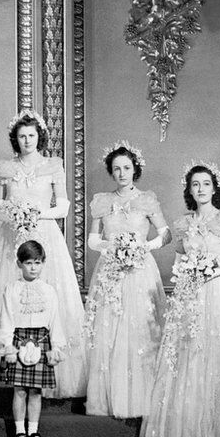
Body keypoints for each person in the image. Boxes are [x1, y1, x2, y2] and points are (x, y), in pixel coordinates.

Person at [141, 163, 220, 437]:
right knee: (189, 352)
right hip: (190, 293)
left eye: (206, 184)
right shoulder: (184, 224)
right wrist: (184, 279)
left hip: (217, 292)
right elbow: (178, 263)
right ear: (189, 190)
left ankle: (218, 427)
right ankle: (187, 425)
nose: (200, 189)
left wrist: (216, 270)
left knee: (216, 351)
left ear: (215, 188)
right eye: (195, 185)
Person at [0, 110, 87, 398]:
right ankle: (11, 369)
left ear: (40, 137)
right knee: (9, 297)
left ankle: (52, 370)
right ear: (15, 139)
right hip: (13, 236)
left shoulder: (52, 166)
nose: (27, 140)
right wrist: (13, 216)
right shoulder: (5, 168)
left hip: (45, 233)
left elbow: (63, 206)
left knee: (49, 296)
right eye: (22, 136)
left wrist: (37, 214)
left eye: (32, 135)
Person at [84, 142, 167, 418]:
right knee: (111, 329)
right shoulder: (103, 201)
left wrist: (145, 247)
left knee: (141, 328)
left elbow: (165, 233)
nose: (122, 173)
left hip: (141, 269)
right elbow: (93, 239)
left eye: (127, 168)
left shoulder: (147, 200)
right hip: (111, 272)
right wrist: (112, 248)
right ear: (111, 171)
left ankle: (144, 400)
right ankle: (111, 398)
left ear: (135, 170)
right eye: (117, 168)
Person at [0, 240, 66, 437]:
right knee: (19, 390)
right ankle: (19, 432)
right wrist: (8, 346)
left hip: (41, 339)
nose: (33, 267)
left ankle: (33, 432)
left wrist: (56, 347)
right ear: (19, 264)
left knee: (36, 391)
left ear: (43, 263)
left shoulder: (48, 290)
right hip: (19, 339)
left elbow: (55, 320)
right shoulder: (12, 288)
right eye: (28, 263)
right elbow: (6, 318)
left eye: (37, 262)